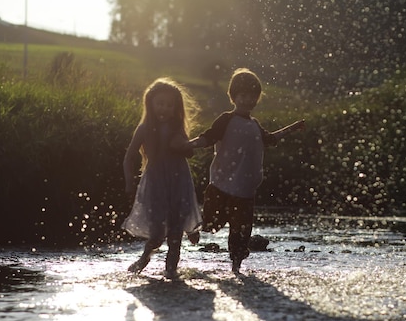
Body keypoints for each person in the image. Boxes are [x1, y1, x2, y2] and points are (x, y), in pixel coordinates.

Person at [187, 68, 305, 273]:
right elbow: (209, 137)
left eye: (252, 96)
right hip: (221, 186)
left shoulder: (255, 125)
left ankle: (236, 268)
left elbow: (270, 139)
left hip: (246, 191)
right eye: (243, 95)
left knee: (241, 233)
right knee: (211, 225)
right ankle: (192, 227)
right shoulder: (226, 119)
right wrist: (187, 145)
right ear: (233, 96)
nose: (248, 99)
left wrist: (291, 129)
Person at [122, 78, 202, 279]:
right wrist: (128, 181)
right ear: (150, 104)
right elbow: (129, 156)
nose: (164, 108)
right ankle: (145, 256)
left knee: (175, 235)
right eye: (160, 103)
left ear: (176, 108)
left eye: (169, 104)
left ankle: (171, 271)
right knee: (157, 235)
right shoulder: (144, 128)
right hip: (155, 184)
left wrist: (184, 144)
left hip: (178, 183)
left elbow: (189, 152)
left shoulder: (177, 129)